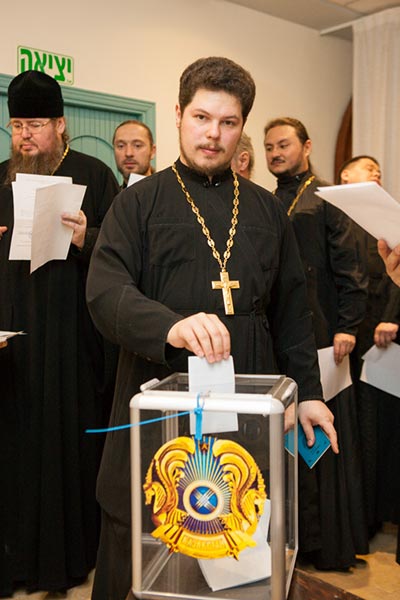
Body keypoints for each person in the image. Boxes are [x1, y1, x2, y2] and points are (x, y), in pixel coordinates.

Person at [86, 56, 338, 600]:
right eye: (201, 118)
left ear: (242, 126)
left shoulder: (268, 211)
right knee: (147, 534)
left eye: (228, 123)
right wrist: (171, 326)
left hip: (248, 405)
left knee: (237, 535)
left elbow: (294, 313)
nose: (213, 134)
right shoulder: (138, 203)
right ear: (179, 114)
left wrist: (310, 395)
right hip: (160, 399)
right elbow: (105, 293)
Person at [0, 70, 119, 596]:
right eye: (17, 126)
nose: (25, 136)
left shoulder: (94, 174)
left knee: (67, 444)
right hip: (14, 344)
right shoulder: (0, 178)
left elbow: (123, 258)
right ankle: (16, 560)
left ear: (60, 124)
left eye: (36, 125)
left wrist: (87, 237)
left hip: (72, 343)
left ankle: (67, 560)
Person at [264, 117, 369, 570]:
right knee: (289, 434)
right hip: (283, 335)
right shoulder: (267, 200)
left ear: (306, 147)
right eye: (269, 147)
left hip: (327, 331)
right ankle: (296, 539)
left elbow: (351, 265)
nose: (275, 153)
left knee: (324, 433)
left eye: (283, 145)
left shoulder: (327, 196)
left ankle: (329, 541)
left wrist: (348, 325)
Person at [339, 156, 400, 539]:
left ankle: (379, 514)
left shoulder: (386, 216)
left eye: (379, 169)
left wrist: (391, 318)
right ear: (346, 175)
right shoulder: (333, 214)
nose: (376, 171)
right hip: (349, 335)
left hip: (382, 336)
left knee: (380, 425)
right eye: (367, 167)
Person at [113, 119, 156, 187]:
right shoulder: (113, 193)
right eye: (121, 146)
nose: (128, 153)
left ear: (152, 151)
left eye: (137, 145)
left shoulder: (168, 191)